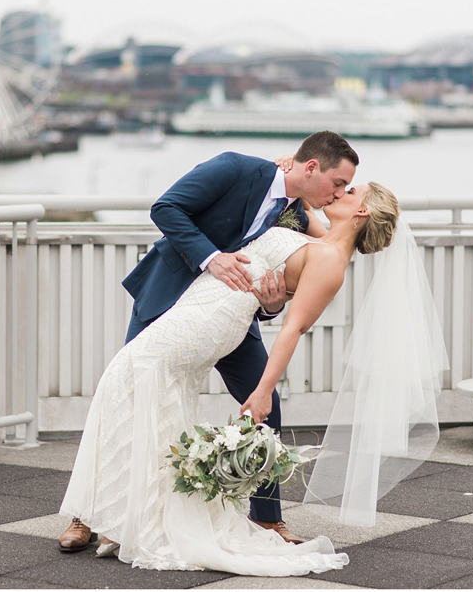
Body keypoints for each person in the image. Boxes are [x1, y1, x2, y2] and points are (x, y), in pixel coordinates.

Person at [59, 178, 405, 576]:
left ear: (361, 211)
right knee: (147, 393)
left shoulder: (330, 262)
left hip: (212, 320)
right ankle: (120, 514)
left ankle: (117, 514)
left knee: (127, 378)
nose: (337, 193)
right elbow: (299, 187)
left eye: (348, 192)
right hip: (200, 302)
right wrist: (287, 168)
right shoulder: (318, 232)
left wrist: (263, 391)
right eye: (339, 185)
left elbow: (292, 330)